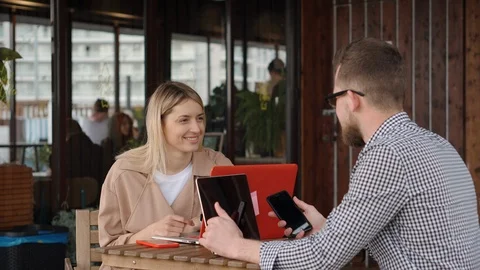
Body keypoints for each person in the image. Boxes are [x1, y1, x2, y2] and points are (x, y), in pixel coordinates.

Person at [199, 38, 480, 269]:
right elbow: (412, 240)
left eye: (334, 99)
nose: (335, 110)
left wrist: (235, 246)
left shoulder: (387, 154)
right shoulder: (438, 145)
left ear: (351, 99)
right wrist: (328, 229)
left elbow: (321, 259)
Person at [98, 81, 232, 269]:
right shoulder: (124, 173)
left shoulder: (218, 166)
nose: (197, 128)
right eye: (184, 120)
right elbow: (108, 250)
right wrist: (148, 234)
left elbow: (241, 226)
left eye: (200, 118)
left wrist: (194, 226)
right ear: (159, 124)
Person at [101, 112, 134, 180]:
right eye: (124, 124)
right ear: (116, 126)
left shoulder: (129, 143)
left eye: (129, 123)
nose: (128, 126)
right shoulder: (108, 144)